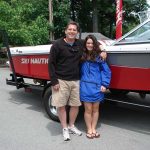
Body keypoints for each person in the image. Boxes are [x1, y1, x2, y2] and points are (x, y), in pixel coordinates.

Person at [48, 21, 107, 141]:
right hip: (61, 80)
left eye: (74, 30)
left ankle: (71, 126)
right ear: (65, 31)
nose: (71, 31)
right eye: (69, 29)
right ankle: (65, 128)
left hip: (76, 80)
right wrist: (54, 81)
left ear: (77, 32)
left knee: (75, 105)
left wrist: (103, 50)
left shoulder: (80, 43)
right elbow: (51, 64)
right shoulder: (57, 45)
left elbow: (95, 43)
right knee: (61, 106)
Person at [80, 35, 111, 139]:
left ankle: (94, 128)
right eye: (88, 43)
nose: (90, 45)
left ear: (95, 45)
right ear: (85, 44)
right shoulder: (81, 55)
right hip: (85, 87)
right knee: (88, 110)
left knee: (96, 110)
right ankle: (89, 129)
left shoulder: (100, 57)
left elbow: (106, 71)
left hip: (97, 87)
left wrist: (104, 84)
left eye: (92, 43)